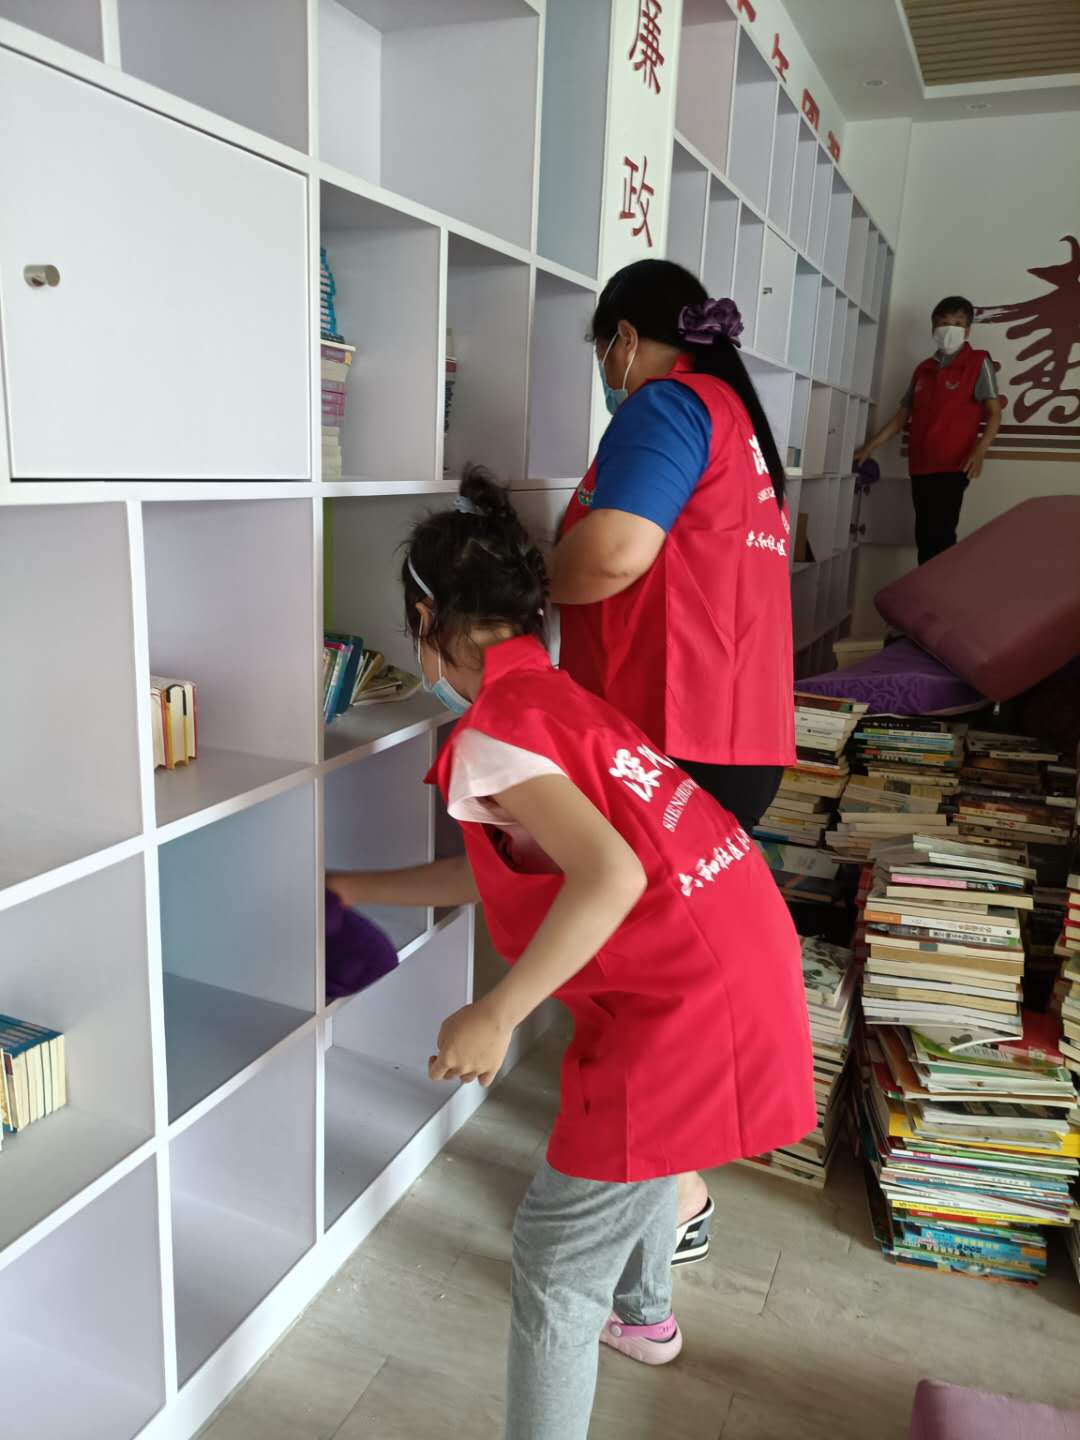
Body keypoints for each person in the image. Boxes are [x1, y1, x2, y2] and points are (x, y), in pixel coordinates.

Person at [327, 468, 815, 1440]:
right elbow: (510, 870)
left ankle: (620, 1329)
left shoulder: (496, 737)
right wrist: (357, 889)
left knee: (554, 1261)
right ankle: (647, 1318)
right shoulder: (553, 701)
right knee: (646, 1160)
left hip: (684, 1000)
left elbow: (608, 875)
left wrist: (496, 1012)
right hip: (734, 950)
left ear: (426, 622)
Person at [547, 259, 797, 1259]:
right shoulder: (736, 422)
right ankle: (673, 1186)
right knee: (671, 972)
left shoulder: (666, 406)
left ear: (622, 341)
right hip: (733, 733)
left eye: (602, 352)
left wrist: (524, 588)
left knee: (649, 985)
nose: (606, 373)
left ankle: (673, 1202)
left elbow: (614, 553)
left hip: (675, 735)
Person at [854, 295, 1002, 565]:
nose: (950, 328)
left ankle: (941, 591)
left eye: (958, 323)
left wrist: (980, 451)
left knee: (940, 537)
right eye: (943, 323)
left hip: (953, 466)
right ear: (933, 328)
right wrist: (869, 448)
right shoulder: (923, 369)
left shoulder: (978, 361)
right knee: (924, 537)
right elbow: (902, 416)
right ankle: (927, 590)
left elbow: (994, 412)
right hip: (921, 465)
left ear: (968, 330)